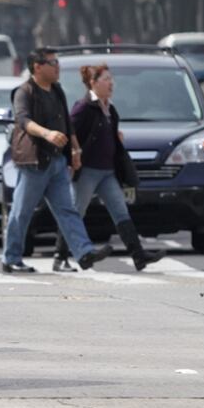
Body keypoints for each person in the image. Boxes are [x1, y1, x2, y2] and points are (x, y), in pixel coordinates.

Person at [1, 47, 114, 273]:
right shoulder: (24, 92)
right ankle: (11, 258)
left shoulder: (57, 90)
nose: (57, 67)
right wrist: (47, 134)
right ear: (38, 67)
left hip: (57, 163)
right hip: (34, 163)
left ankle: (84, 253)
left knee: (67, 210)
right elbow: (23, 121)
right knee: (21, 213)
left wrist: (75, 149)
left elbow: (67, 123)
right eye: (53, 63)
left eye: (57, 63)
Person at [51, 64, 166, 272]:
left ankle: (138, 256)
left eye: (111, 79)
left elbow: (108, 133)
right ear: (93, 83)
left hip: (107, 171)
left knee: (121, 211)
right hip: (87, 171)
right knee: (76, 212)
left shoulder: (110, 108)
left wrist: (115, 138)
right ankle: (60, 256)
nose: (111, 83)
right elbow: (70, 133)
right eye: (106, 79)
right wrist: (73, 157)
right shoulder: (83, 107)